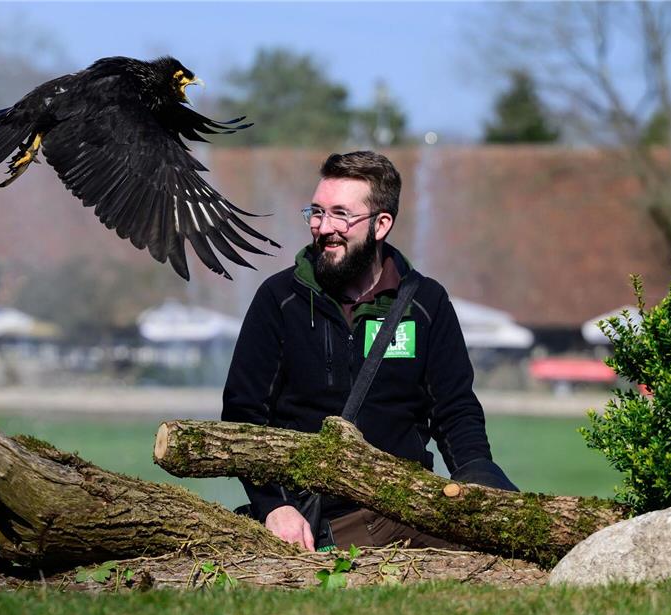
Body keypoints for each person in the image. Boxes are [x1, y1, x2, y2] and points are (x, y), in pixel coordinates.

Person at [222, 150, 517, 552]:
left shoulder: (426, 302)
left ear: (381, 225)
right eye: (316, 212)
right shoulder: (280, 298)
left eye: (340, 214)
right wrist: (274, 506)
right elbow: (244, 415)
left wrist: (480, 483)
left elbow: (455, 412)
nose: (322, 227)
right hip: (317, 520)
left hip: (406, 508)